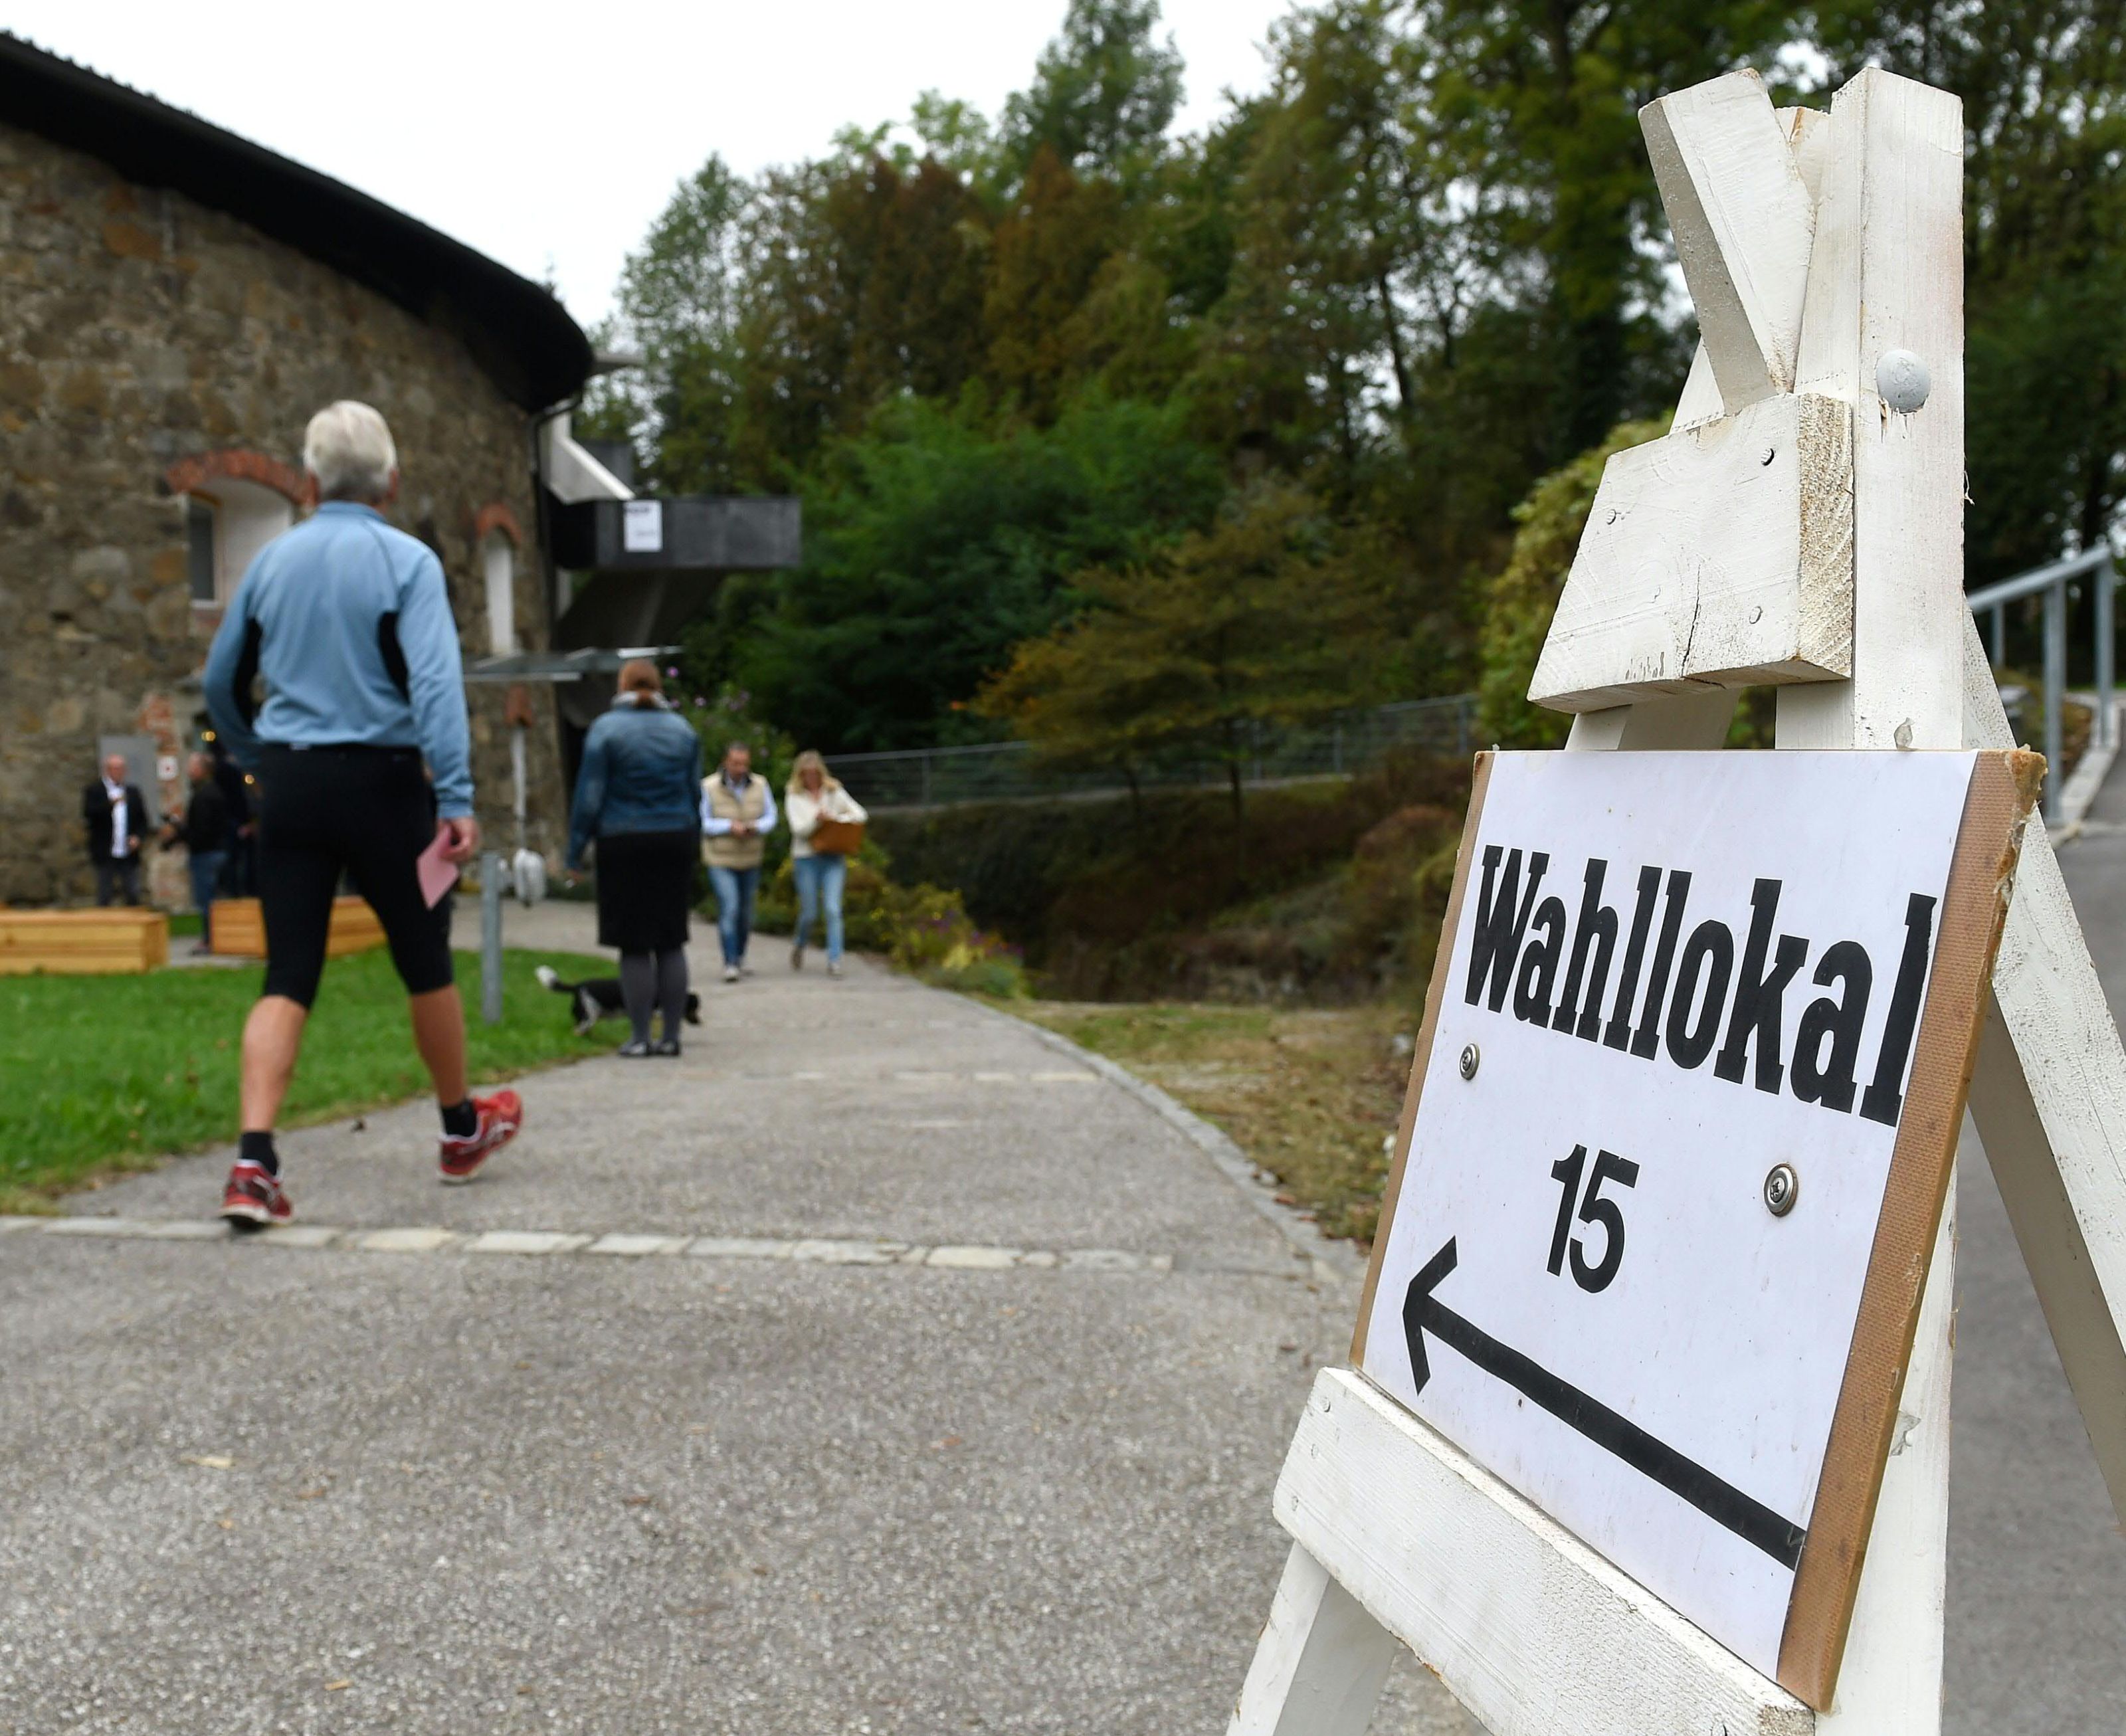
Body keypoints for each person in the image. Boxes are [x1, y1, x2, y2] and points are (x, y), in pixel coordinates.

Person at [202, 400, 522, 1228]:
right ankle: (459, 1130)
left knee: (289, 973)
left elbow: (220, 683)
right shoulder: (408, 561)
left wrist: (250, 756)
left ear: (307, 482)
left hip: (294, 789)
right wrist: (453, 799)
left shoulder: (269, 564)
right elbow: (438, 689)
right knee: (424, 958)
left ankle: (252, 1162)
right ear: (393, 481)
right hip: (389, 791)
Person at [565, 660, 703, 1056]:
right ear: (659, 687)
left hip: (622, 840)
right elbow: (694, 792)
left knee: (634, 943)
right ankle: (672, 1036)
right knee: (671, 940)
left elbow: (589, 797)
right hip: (673, 838)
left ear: (622, 685)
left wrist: (575, 849)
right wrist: (691, 837)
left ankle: (641, 1037)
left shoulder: (606, 730)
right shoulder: (683, 730)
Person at [785, 750, 867, 978]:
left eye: (815, 774)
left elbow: (860, 814)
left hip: (833, 855)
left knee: (833, 908)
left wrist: (836, 819)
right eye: (807, 774)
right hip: (806, 858)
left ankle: (835, 960)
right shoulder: (794, 795)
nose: (811, 778)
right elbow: (798, 830)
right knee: (810, 913)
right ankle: (800, 944)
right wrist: (816, 821)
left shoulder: (833, 791)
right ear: (800, 775)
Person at [701, 740, 777, 985]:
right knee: (730, 907)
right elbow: (702, 821)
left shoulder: (760, 784)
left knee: (746, 914)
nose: (740, 768)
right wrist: (728, 827)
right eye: (736, 763)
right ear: (726, 762)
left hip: (750, 857)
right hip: (720, 858)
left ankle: (740, 956)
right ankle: (729, 962)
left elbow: (771, 816)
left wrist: (756, 827)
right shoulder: (708, 787)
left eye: (744, 763)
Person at [159, 751, 229, 953]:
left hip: (206, 854)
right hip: (214, 851)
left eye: (191, 766)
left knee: (206, 900)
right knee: (213, 899)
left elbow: (201, 830)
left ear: (200, 769)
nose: (188, 770)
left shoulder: (204, 795)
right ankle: (214, 938)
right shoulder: (211, 792)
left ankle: (210, 941)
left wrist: (179, 834)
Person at [81, 753, 147, 906]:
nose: (118, 772)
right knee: (105, 893)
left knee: (132, 892)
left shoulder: (133, 792)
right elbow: (89, 814)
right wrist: (110, 805)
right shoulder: (95, 791)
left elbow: (142, 821)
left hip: (127, 852)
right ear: (107, 770)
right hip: (105, 851)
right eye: (115, 769)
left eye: (121, 769)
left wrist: (137, 837)